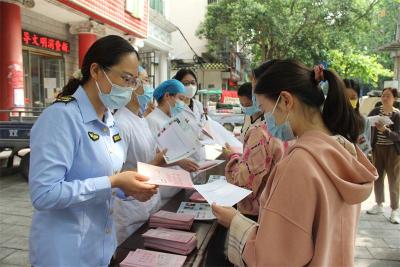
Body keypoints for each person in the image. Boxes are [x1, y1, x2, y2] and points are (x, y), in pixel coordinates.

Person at [212, 60, 377, 267]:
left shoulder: (299, 164)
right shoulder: (344, 150)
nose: (266, 118)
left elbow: (275, 258)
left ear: (286, 101)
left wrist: (234, 221)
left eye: (264, 108)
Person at [28, 35, 158, 267]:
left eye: (134, 82)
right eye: (125, 78)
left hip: (102, 248)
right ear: (96, 70)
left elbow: (100, 181)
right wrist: (113, 182)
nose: (129, 88)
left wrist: (126, 190)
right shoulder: (61, 117)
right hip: (65, 254)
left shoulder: (109, 121)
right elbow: (44, 194)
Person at [113, 66, 167, 245]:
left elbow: (147, 154)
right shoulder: (120, 122)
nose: (148, 86)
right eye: (143, 81)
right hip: (130, 209)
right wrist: (156, 161)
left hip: (150, 202)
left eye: (147, 80)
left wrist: (158, 158)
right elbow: (116, 175)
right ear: (129, 85)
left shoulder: (140, 118)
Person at [146, 79, 199, 203]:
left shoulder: (172, 118)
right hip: (165, 188)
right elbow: (154, 156)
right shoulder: (152, 120)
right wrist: (179, 161)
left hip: (178, 183)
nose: (182, 103)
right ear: (167, 96)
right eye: (180, 98)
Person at [367, 87, 400, 224]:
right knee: (378, 177)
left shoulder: (397, 115)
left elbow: (398, 136)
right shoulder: (375, 111)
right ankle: (379, 204)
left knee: (394, 180)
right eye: (383, 95)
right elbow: (366, 125)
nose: (385, 98)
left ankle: (394, 210)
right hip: (377, 149)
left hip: (393, 150)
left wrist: (385, 130)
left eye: (388, 96)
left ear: (394, 99)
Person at [343, 79, 371, 155]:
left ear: (358, 99)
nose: (348, 102)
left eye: (353, 98)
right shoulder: (330, 120)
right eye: (345, 98)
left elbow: (365, 150)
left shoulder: (364, 121)